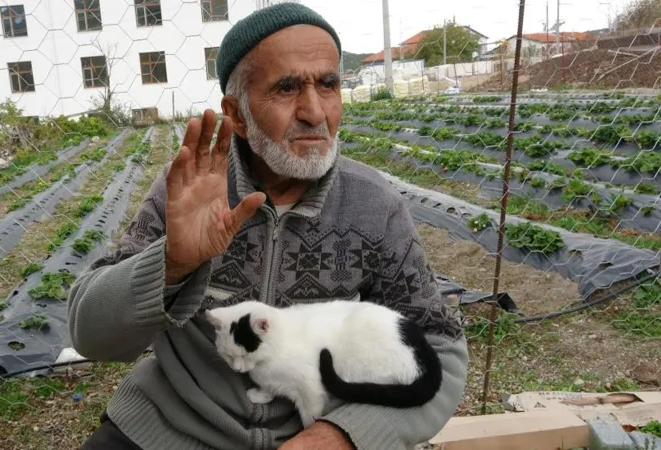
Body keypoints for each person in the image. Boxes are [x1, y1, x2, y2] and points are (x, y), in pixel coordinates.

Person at [68, 3, 468, 450]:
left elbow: (441, 350)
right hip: (169, 429)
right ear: (236, 113)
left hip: (312, 425)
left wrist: (346, 433)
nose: (315, 112)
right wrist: (172, 263)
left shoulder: (374, 206)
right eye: (287, 88)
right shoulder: (190, 192)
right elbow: (90, 335)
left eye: (329, 84)